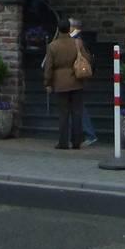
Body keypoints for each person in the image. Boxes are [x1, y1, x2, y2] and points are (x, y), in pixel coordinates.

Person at [43, 16, 90, 150]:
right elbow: (87, 58)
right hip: (76, 81)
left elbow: (48, 67)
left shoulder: (52, 46)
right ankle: (76, 141)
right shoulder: (77, 43)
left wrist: (47, 83)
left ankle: (63, 142)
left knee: (63, 114)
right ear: (69, 29)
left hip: (60, 83)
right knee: (77, 112)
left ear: (58, 29)